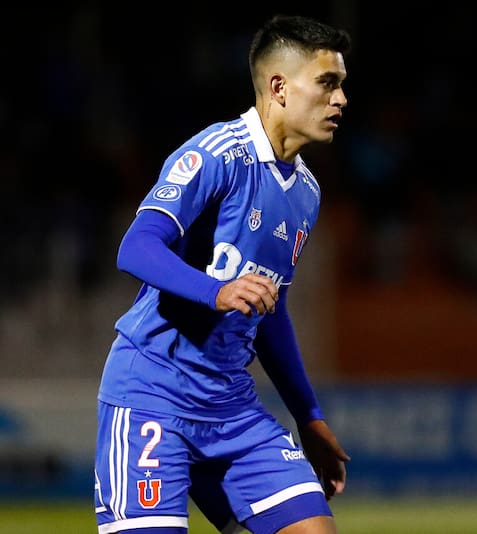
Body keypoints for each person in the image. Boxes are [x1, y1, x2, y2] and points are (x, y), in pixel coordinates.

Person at [93, 14, 351, 534]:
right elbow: (136, 246)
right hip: (152, 396)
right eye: (328, 83)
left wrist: (308, 414)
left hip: (230, 407)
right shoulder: (216, 154)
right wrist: (217, 290)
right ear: (279, 87)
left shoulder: (306, 192)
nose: (341, 99)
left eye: (341, 85)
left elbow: (269, 312)